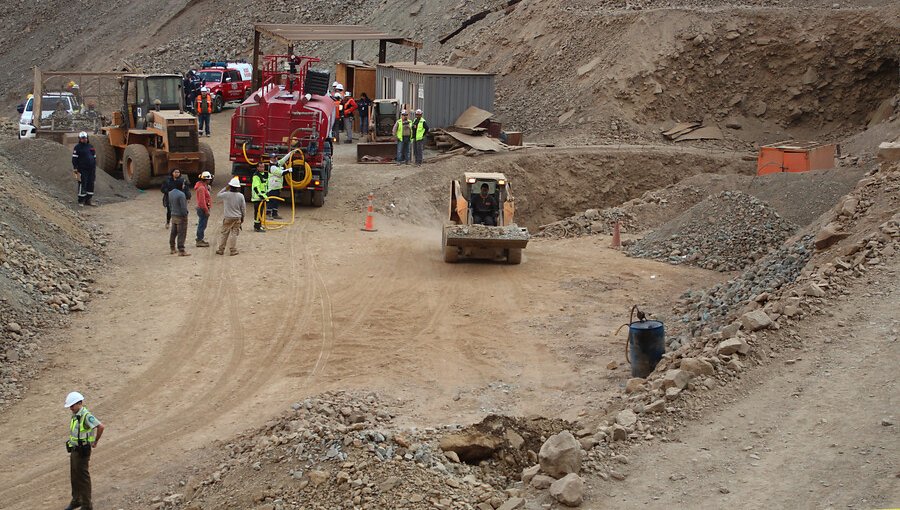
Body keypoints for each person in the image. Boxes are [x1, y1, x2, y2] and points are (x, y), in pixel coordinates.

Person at [64, 391, 104, 510]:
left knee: (83, 478)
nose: (70, 408)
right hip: (75, 450)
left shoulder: (86, 415)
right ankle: (77, 500)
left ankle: (87, 505)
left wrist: (95, 441)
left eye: (72, 406)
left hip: (82, 451)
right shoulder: (76, 415)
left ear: (79, 403)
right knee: (75, 475)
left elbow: (101, 426)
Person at [216, 177, 246, 256]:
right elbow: (243, 208)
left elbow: (218, 195)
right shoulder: (240, 196)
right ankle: (233, 250)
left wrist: (225, 188)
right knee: (234, 234)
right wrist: (243, 217)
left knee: (224, 233)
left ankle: (221, 249)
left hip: (228, 217)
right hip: (237, 217)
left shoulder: (226, 195)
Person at [72, 131, 97, 206]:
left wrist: (94, 166)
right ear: (79, 139)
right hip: (82, 169)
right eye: (82, 138)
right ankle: (81, 201)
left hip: (91, 169)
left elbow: (94, 157)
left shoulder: (90, 146)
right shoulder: (77, 147)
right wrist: (75, 168)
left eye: (85, 138)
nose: (84, 139)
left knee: (91, 183)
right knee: (83, 183)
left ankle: (88, 200)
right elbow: (74, 159)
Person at [168, 179, 190, 256]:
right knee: (181, 233)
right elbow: (183, 207)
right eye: (183, 184)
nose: (184, 186)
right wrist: (185, 214)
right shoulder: (181, 194)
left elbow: (170, 205)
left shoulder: (170, 193)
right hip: (181, 216)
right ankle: (181, 250)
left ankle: (172, 248)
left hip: (173, 214)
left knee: (173, 232)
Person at [267, 152, 293, 219]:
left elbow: (283, 160)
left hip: (277, 187)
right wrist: (288, 170)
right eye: (274, 157)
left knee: (276, 201)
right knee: (271, 200)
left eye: (276, 157)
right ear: (271, 158)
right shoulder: (272, 167)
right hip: (272, 187)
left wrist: (290, 153)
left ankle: (275, 214)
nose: (275, 158)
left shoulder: (277, 164)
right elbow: (280, 173)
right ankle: (268, 214)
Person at [194, 171, 213, 247]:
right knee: (202, 225)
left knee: (202, 224)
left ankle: (200, 239)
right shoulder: (201, 188)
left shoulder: (203, 186)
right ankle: (199, 240)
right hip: (203, 208)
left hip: (202, 208)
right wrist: (206, 210)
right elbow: (202, 201)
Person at [251, 162, 269, 232]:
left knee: (260, 212)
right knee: (258, 212)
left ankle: (259, 225)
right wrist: (261, 195)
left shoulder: (264, 175)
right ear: (257, 168)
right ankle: (257, 227)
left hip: (263, 197)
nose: (262, 168)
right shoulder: (256, 176)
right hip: (257, 198)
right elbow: (256, 187)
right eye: (260, 167)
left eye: (263, 167)